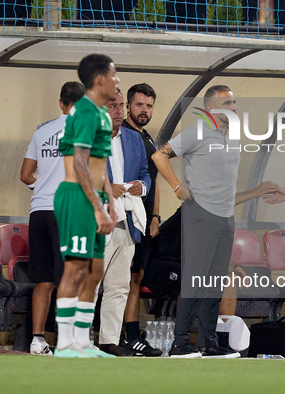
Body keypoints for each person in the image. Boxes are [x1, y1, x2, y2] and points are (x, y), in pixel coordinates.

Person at [152, 84, 280, 358]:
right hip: (200, 215)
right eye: (228, 104)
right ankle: (180, 343)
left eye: (234, 103)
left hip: (225, 219)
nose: (234, 108)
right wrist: (176, 187)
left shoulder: (231, 136)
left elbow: (225, 189)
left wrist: (255, 193)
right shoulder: (197, 132)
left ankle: (208, 343)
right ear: (210, 108)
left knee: (214, 283)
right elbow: (159, 155)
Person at [53, 54, 119, 358]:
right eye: (114, 75)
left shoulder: (102, 114)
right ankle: (63, 344)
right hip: (78, 197)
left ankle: (82, 342)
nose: (118, 81)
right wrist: (96, 206)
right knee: (76, 269)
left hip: (97, 198)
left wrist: (111, 203)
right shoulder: (85, 113)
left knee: (95, 270)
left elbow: (100, 164)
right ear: (100, 79)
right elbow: (80, 164)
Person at [20, 81, 85, 356]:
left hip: (39, 212)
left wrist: (42, 184)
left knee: (44, 280)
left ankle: (37, 340)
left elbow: (25, 174)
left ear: (61, 103)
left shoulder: (42, 131)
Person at [97, 89, 151, 356]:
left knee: (119, 285)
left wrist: (142, 185)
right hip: (98, 220)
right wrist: (108, 186)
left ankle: (108, 341)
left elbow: (144, 172)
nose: (117, 111)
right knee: (91, 284)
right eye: (111, 106)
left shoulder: (133, 138)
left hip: (128, 221)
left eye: (120, 106)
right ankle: (78, 340)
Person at [119, 83, 163, 356]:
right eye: (139, 105)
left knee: (136, 277)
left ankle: (133, 337)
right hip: (122, 219)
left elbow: (154, 182)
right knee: (120, 280)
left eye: (149, 106)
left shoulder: (147, 138)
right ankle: (120, 336)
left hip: (144, 220)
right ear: (128, 106)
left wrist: (155, 217)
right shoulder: (120, 135)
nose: (144, 110)